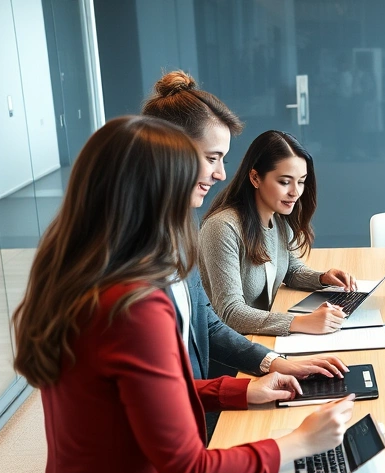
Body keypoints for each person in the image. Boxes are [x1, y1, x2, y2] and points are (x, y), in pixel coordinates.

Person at [12, 116, 355, 473]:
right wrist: (298, 443)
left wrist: (242, 389)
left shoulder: (87, 279)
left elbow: (137, 399)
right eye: (202, 166)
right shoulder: (134, 306)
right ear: (154, 193)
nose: (214, 179)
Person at [141, 71, 348, 380]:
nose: (221, 174)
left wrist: (275, 363)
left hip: (217, 379)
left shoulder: (179, 229)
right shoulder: (205, 230)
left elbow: (206, 324)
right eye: (212, 158)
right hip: (215, 377)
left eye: (222, 160)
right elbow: (223, 317)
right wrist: (294, 328)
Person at [199, 130, 354, 336]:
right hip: (229, 345)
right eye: (284, 182)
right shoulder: (223, 227)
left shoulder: (278, 219)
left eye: (301, 181)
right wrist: (301, 322)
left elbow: (292, 271)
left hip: (258, 335)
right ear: (255, 177)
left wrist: (323, 278)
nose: (295, 192)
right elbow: (230, 313)